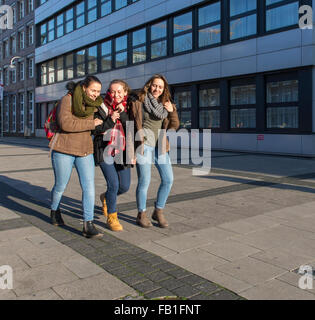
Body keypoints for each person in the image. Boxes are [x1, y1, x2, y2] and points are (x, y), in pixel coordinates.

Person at [49, 76, 104, 239]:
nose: (96, 94)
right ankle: (54, 210)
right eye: (93, 90)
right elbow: (65, 124)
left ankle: (88, 224)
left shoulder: (94, 104)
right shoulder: (68, 99)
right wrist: (91, 124)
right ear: (84, 88)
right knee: (60, 185)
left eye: (98, 91)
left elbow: (102, 121)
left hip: (85, 150)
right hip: (64, 149)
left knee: (89, 187)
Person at [129, 74, 180, 228]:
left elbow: (175, 125)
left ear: (164, 89)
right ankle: (141, 213)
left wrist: (171, 111)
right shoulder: (139, 101)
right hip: (143, 145)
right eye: (154, 85)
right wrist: (131, 152)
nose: (157, 89)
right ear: (149, 85)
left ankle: (158, 211)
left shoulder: (166, 103)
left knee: (168, 179)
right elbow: (131, 125)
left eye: (160, 87)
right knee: (145, 180)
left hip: (160, 146)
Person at [93, 79, 134, 232]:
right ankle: (112, 216)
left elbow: (131, 129)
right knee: (114, 184)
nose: (115, 94)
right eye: (112, 91)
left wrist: (122, 113)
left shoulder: (130, 107)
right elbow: (96, 130)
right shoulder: (101, 107)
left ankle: (106, 197)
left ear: (125, 92)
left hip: (122, 151)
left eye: (119, 91)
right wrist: (111, 119)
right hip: (104, 150)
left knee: (124, 186)